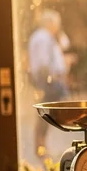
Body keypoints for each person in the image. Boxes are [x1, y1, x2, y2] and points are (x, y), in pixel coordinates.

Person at [27, 9, 68, 156]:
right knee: (45, 114)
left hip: (47, 80)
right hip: (48, 81)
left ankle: (41, 145)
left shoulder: (43, 37)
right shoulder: (44, 38)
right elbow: (44, 62)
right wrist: (51, 79)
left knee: (45, 113)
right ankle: (41, 146)